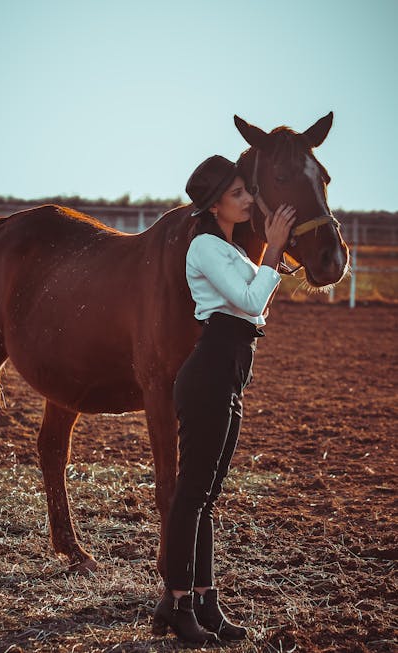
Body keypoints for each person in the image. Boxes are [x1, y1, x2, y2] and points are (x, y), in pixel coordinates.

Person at [152, 155, 296, 644]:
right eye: (239, 194)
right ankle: (175, 604)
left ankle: (207, 602)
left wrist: (270, 260)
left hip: (230, 368)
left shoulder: (229, 249)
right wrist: (273, 251)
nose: (249, 200)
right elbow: (254, 302)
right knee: (192, 495)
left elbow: (255, 303)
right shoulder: (206, 247)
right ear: (215, 205)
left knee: (206, 498)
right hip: (211, 368)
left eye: (246, 191)